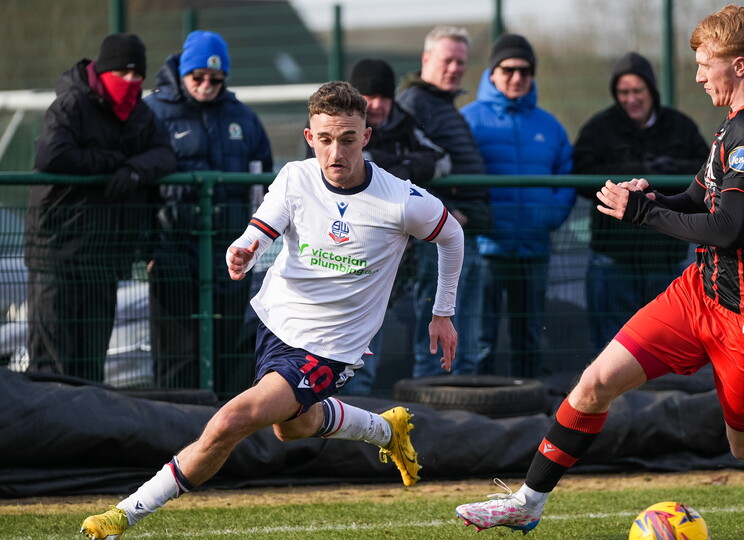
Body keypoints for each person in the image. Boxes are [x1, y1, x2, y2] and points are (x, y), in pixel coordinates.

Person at [454, 5, 744, 533]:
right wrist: (653, 194)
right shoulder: (739, 121)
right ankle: (528, 502)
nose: (696, 75)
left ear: (738, 64)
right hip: (699, 294)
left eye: (704, 64)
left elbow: (730, 228)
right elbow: (699, 195)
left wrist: (643, 213)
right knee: (595, 382)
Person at [79, 81, 465, 539]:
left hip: (330, 347)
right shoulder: (295, 177)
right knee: (292, 427)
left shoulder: (402, 200)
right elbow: (260, 228)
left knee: (229, 422)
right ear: (309, 138)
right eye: (324, 139)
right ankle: (385, 430)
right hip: (274, 321)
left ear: (366, 137)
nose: (335, 151)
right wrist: (243, 249)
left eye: (347, 138)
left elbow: (452, 237)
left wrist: (443, 312)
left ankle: (123, 514)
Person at [25, 33, 176, 382]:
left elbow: (165, 153)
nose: (131, 83)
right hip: (56, 252)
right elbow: (52, 155)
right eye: (123, 74)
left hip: (105, 254)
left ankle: (84, 434)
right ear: (104, 70)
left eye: (138, 76)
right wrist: (115, 163)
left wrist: (135, 170)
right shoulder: (71, 105)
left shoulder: (140, 113)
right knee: (51, 360)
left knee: (91, 361)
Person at [144, 30, 274, 394]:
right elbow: (141, 190)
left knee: (230, 347)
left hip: (231, 254)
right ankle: (174, 435)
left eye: (215, 79)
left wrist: (257, 242)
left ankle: (226, 434)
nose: (206, 85)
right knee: (177, 353)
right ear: (182, 73)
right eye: (197, 77)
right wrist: (149, 249)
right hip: (173, 252)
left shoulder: (243, 119)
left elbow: (264, 185)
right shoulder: (153, 114)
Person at [573, 51, 709, 354]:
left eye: (638, 91)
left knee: (665, 346)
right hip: (613, 259)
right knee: (611, 347)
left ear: (651, 91)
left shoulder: (681, 127)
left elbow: (706, 171)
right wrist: (630, 177)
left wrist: (665, 173)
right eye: (623, 92)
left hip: (665, 258)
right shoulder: (599, 129)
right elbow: (579, 177)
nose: (631, 99)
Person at [331, 57, 451, 394]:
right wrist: (397, 169)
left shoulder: (404, 122)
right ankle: (350, 407)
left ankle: (426, 396)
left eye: (385, 96)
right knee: (355, 347)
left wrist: (390, 169)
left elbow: (440, 158)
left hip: (405, 256)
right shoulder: (336, 129)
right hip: (352, 253)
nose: (379, 105)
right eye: (371, 97)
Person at [460, 33, 575, 377]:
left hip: (534, 248)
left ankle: (532, 406)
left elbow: (566, 172)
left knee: (529, 336)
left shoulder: (549, 125)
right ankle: (479, 408)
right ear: (492, 72)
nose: (516, 77)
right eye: (507, 69)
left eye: (524, 70)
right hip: (486, 249)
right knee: (482, 337)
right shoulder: (469, 119)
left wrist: (549, 217)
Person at [396, 25, 489, 377]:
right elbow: (406, 170)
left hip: (464, 235)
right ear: (426, 60)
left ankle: (462, 417)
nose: (455, 68)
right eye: (448, 60)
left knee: (463, 340)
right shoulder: (415, 105)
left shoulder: (442, 105)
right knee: (436, 343)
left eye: (461, 62)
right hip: (440, 241)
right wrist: (445, 216)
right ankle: (433, 419)